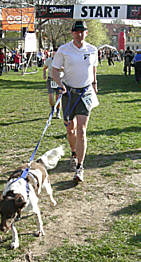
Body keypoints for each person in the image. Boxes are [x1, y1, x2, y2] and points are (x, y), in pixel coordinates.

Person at [52, 20, 99, 183]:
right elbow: (55, 70)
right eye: (76, 32)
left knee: (81, 130)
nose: (79, 34)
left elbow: (93, 69)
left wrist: (94, 84)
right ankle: (73, 152)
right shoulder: (64, 50)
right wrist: (59, 85)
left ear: (86, 33)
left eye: (82, 31)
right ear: (72, 33)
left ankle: (80, 167)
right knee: (70, 129)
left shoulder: (93, 50)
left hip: (85, 92)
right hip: (68, 93)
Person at [43, 48, 62, 119]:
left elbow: (66, 69)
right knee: (50, 97)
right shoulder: (48, 60)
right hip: (50, 80)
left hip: (59, 81)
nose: (54, 55)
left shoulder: (61, 61)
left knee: (58, 98)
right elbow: (44, 68)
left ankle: (58, 112)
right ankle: (52, 108)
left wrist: (61, 69)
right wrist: (44, 74)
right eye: (53, 53)